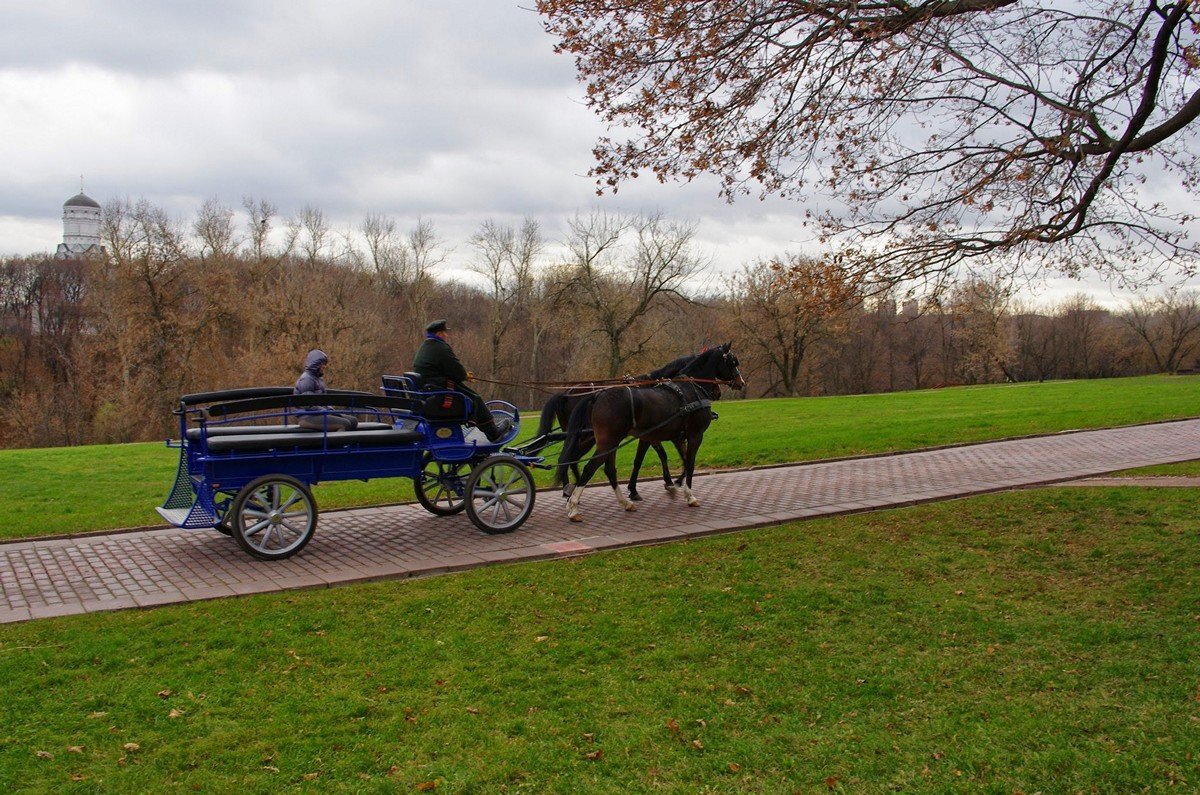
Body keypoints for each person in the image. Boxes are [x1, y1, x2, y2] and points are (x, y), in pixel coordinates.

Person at [412, 319, 512, 442]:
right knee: (475, 399)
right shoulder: (441, 348)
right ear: (439, 334)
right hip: (440, 392)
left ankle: (484, 427)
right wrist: (464, 375)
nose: (446, 335)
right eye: (445, 333)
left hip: (429, 392)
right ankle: (493, 433)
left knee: (471, 396)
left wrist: (463, 376)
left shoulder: (424, 347)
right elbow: (457, 373)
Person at [293, 349, 358, 431]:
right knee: (344, 424)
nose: (324, 366)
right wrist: (326, 411)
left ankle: (346, 442)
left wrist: (330, 409)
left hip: (319, 413)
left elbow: (324, 400)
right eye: (322, 364)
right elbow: (308, 404)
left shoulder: (319, 379)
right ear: (315, 364)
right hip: (308, 417)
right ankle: (334, 443)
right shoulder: (306, 379)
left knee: (353, 421)